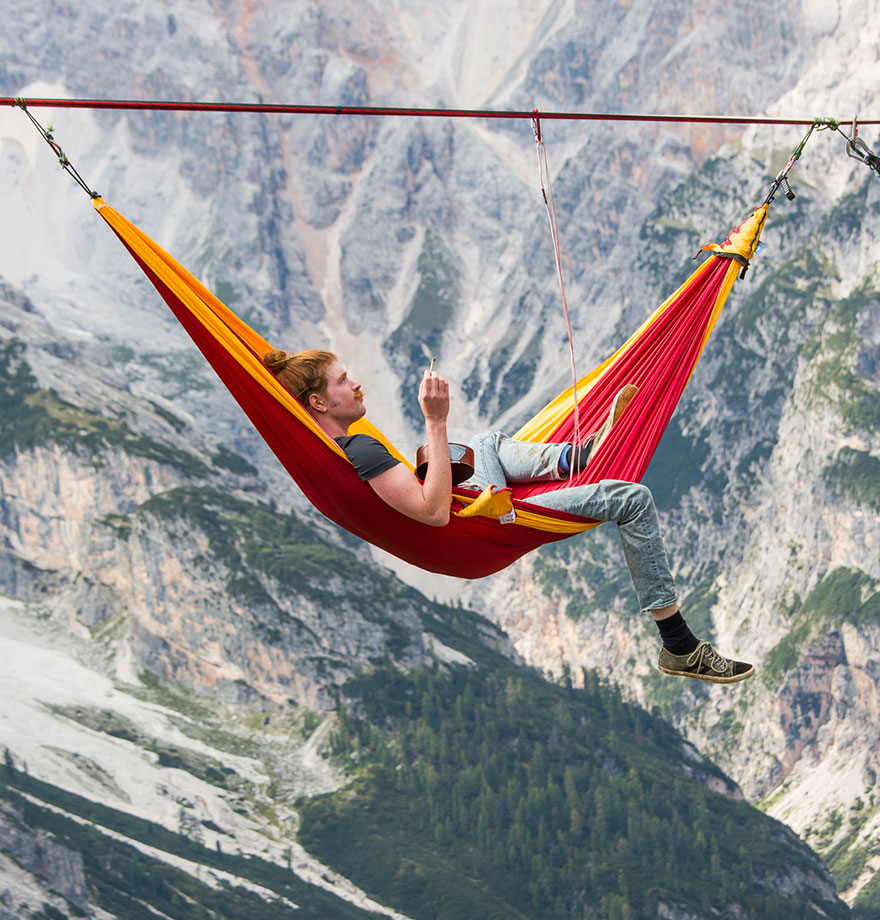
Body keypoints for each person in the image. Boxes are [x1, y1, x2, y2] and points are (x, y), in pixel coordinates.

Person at [263, 348, 754, 685]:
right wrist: (436, 420)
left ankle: (577, 456)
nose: (356, 383)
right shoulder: (362, 449)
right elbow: (433, 513)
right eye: (343, 381)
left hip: (462, 528)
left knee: (484, 446)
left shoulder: (337, 453)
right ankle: (679, 643)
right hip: (472, 532)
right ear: (319, 402)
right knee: (634, 498)